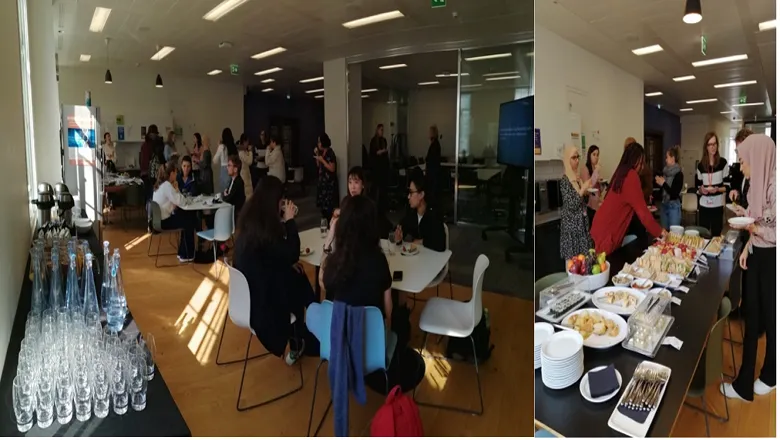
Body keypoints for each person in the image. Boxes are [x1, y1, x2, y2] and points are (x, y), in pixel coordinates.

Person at [233, 175, 313, 364]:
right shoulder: (265, 229)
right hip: (265, 306)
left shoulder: (251, 221)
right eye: (281, 202)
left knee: (296, 273)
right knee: (299, 278)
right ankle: (306, 333)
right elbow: (291, 252)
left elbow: (271, 257)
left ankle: (305, 333)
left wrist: (287, 264)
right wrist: (290, 221)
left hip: (247, 299)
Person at [721, 134, 776, 402]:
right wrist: (746, 247)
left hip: (771, 258)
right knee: (752, 315)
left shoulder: (775, 184)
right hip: (757, 253)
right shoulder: (758, 182)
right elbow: (758, 223)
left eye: (743, 161)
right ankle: (745, 382)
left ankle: (770, 373)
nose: (741, 167)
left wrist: (752, 228)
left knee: (769, 316)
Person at [321, 195, 393, 329]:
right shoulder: (379, 260)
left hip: (340, 343)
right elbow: (388, 310)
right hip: (372, 344)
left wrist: (329, 240)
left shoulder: (336, 261)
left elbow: (322, 282)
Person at [591, 142, 665, 255]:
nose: (642, 166)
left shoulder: (621, 172)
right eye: (641, 162)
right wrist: (661, 232)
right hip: (606, 234)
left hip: (599, 228)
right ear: (636, 161)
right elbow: (644, 214)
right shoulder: (631, 176)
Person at [152, 162, 197, 262]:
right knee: (189, 220)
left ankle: (182, 252)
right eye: (176, 173)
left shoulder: (159, 185)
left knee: (184, 216)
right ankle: (186, 255)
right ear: (171, 173)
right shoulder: (167, 185)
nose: (177, 175)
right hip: (164, 221)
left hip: (158, 220)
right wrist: (176, 189)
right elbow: (182, 202)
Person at [394, 171, 446, 252]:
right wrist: (398, 237)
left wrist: (421, 241)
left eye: (411, 193)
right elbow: (402, 228)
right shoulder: (411, 212)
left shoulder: (433, 214)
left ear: (421, 194)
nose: (408, 197)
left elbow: (440, 244)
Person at [559, 145, 594, 261]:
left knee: (585, 262)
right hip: (572, 230)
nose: (577, 161)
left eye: (578, 157)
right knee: (573, 265)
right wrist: (582, 190)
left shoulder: (578, 178)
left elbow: (582, 202)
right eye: (573, 158)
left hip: (582, 226)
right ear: (567, 160)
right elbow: (572, 205)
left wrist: (586, 194)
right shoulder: (565, 180)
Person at [696, 132, 729, 236]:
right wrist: (702, 190)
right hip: (704, 206)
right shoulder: (700, 166)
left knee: (716, 236)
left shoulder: (723, 163)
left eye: (714, 144)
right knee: (703, 235)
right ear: (706, 146)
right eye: (710, 144)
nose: (713, 147)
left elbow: (727, 187)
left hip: (717, 206)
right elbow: (698, 188)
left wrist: (717, 189)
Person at [655, 146, 684, 230]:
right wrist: (654, 195)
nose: (665, 160)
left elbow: (674, 193)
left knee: (674, 235)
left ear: (672, 158)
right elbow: (664, 190)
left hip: (673, 207)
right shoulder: (665, 172)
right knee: (665, 234)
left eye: (667, 157)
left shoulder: (679, 174)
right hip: (664, 205)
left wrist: (663, 183)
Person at [315, 132, 338, 220]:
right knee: (323, 209)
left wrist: (323, 161)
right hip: (323, 183)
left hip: (329, 184)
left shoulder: (330, 153)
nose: (318, 144)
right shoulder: (322, 153)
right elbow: (318, 166)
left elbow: (332, 168)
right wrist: (318, 156)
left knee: (329, 208)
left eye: (319, 142)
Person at [729, 128, 755, 204]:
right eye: (737, 150)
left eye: (740, 149)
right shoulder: (745, 169)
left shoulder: (761, 175)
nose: (738, 154)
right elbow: (745, 197)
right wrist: (737, 194)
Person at [580, 145, 601, 225]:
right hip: (589, 205)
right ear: (589, 155)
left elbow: (596, 188)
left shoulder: (594, 168)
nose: (596, 157)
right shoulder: (585, 169)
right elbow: (589, 186)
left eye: (597, 155)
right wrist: (597, 171)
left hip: (596, 204)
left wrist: (601, 184)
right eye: (594, 154)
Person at [369, 124, 389, 212]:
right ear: (377, 130)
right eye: (381, 130)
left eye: (383, 130)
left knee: (383, 188)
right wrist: (380, 152)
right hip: (376, 168)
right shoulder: (373, 141)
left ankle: (383, 207)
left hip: (383, 168)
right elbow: (373, 153)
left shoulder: (384, 140)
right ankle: (374, 207)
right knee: (375, 188)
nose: (382, 132)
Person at [213, 128, 237, 193]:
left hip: (224, 170)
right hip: (233, 170)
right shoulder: (233, 146)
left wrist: (218, 146)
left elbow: (215, 161)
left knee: (223, 192)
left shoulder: (222, 147)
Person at [140, 124, 160, 198]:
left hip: (144, 173)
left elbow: (142, 160)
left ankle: (148, 208)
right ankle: (151, 209)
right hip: (151, 174)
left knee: (147, 195)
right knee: (152, 195)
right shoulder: (153, 145)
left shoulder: (144, 145)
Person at [425, 125, 442, 206]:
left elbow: (431, 159)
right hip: (433, 172)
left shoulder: (434, 145)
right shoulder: (435, 144)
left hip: (433, 173)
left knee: (432, 194)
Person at [237, 134, 254, 199]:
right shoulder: (241, 152)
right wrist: (250, 151)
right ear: (244, 142)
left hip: (247, 173)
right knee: (247, 194)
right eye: (247, 142)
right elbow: (249, 161)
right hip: (244, 175)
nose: (248, 144)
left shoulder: (244, 150)